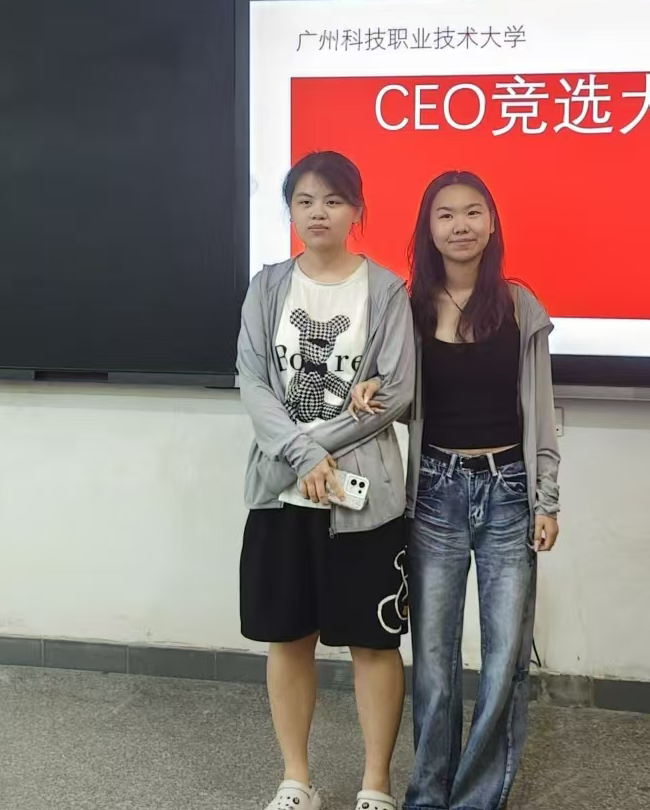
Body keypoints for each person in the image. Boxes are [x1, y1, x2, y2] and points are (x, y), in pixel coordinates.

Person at [351, 171, 561, 810]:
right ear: (428, 228)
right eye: (446, 214)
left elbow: (541, 411)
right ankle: (427, 795)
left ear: (492, 224)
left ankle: (475, 799)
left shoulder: (519, 306)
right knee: (435, 663)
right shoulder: (407, 305)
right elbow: (385, 383)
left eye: (473, 212)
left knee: (504, 663)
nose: (460, 225)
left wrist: (547, 498)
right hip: (435, 494)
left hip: (510, 492)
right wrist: (370, 387)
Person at [237, 150, 416, 810]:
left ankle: (375, 784)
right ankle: (296, 780)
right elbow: (251, 379)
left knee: (373, 642)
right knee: (288, 637)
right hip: (281, 494)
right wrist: (300, 455)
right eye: (305, 200)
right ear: (289, 210)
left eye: (333, 201)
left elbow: (396, 393)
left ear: (356, 211)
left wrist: (316, 450)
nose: (318, 212)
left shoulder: (387, 290)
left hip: (364, 499)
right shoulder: (267, 287)